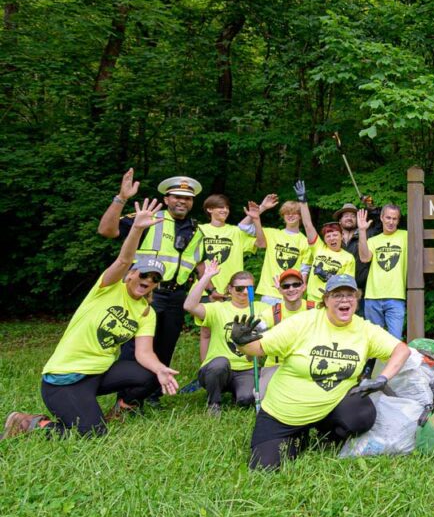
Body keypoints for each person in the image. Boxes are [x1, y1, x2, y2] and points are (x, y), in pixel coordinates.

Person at [3, 199, 180, 440]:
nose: (148, 280)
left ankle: (121, 409)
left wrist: (160, 369)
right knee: (92, 434)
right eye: (144, 274)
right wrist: (137, 229)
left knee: (148, 375)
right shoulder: (107, 288)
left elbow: (144, 354)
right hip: (64, 380)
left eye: (155, 278)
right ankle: (29, 422)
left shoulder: (146, 311)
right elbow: (123, 260)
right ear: (131, 275)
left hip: (98, 374)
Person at [229, 274, 412, 471]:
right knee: (263, 467)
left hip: (329, 408)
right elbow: (258, 348)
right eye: (337, 295)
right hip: (284, 412)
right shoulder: (302, 323)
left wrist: (383, 378)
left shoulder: (363, 329)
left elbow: (402, 350)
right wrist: (242, 342)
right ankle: (299, 435)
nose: (344, 300)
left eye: (350, 295)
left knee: (362, 412)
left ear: (357, 300)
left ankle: (327, 437)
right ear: (326, 300)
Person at [97, 169, 204, 377]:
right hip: (146, 293)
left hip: (176, 296)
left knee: (165, 346)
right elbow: (106, 231)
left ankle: (153, 393)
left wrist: (214, 290)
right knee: (135, 346)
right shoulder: (149, 218)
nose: (182, 202)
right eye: (177, 197)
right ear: (166, 199)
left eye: (188, 198)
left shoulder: (197, 230)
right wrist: (120, 199)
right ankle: (127, 398)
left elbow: (199, 264)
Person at [183, 261, 271, 415]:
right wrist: (206, 277)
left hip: (246, 368)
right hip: (218, 367)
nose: (244, 292)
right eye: (239, 288)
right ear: (230, 289)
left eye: (248, 288)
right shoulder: (217, 308)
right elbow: (189, 306)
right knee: (220, 364)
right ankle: (214, 403)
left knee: (246, 400)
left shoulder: (261, 309)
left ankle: (237, 393)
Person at [195, 194, 265, 365]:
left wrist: (256, 217)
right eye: (220, 207)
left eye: (226, 207)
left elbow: (261, 243)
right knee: (206, 332)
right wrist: (211, 290)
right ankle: (205, 369)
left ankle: (235, 368)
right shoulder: (199, 230)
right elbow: (197, 262)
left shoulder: (235, 232)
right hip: (208, 289)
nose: (225, 210)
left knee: (232, 330)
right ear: (209, 209)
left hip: (233, 291)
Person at [247, 182, 314, 305]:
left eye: (294, 213)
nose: (290, 215)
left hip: (291, 293)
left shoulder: (305, 241)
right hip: (269, 292)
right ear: (283, 216)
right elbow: (244, 227)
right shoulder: (272, 233)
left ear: (300, 216)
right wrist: (262, 208)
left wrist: (301, 292)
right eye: (287, 213)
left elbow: (304, 269)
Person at [260, 269, 317, 395]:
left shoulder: (315, 309)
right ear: (279, 290)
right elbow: (258, 326)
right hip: (276, 366)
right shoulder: (272, 312)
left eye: (296, 284)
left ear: (304, 287)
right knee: (262, 396)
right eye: (286, 286)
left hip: (307, 365)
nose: (291, 289)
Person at [357, 204, 408, 340]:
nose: (391, 222)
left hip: (396, 296)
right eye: (388, 218)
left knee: (395, 341)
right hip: (372, 296)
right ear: (381, 218)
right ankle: (376, 363)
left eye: (395, 219)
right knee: (375, 342)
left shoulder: (406, 236)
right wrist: (362, 231)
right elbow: (364, 257)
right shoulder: (373, 240)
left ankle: (393, 362)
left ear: (398, 220)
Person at [335, 198, 382, 307]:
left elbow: (381, 223)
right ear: (340, 221)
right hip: (337, 290)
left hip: (362, 291)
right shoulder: (333, 239)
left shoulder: (366, 234)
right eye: (346, 216)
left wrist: (371, 206)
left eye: (353, 216)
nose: (349, 218)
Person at [304, 220, 357, 304]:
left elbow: (347, 283)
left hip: (333, 301)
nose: (332, 238)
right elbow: (308, 225)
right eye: (328, 236)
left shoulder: (349, 258)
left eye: (335, 235)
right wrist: (303, 206)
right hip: (313, 299)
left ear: (342, 236)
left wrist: (327, 276)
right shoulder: (318, 248)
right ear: (324, 239)